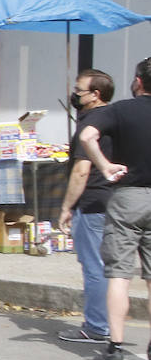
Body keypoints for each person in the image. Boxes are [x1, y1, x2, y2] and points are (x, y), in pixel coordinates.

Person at [78, 56, 151, 360]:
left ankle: (115, 348)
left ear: (138, 81)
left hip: (128, 197)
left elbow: (86, 136)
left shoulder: (120, 110)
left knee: (120, 274)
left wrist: (104, 164)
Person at [58, 68, 116, 342]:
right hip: (116, 202)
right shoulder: (118, 118)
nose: (75, 95)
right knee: (114, 268)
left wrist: (66, 207)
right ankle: (110, 323)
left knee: (94, 266)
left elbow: (81, 171)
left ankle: (96, 326)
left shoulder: (91, 125)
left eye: (79, 91)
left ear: (96, 95)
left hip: (93, 201)